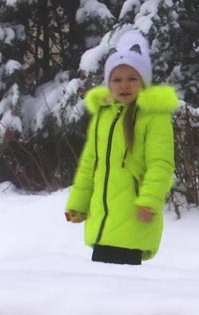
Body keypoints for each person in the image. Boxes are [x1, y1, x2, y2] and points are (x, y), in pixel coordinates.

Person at [65, 30, 179, 265]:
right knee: (101, 287)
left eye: (132, 78)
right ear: (108, 83)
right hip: (102, 218)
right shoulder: (104, 115)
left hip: (135, 214)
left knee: (124, 291)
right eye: (117, 79)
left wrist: (149, 200)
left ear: (143, 81)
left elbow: (161, 164)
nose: (124, 85)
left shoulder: (153, 116)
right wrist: (79, 203)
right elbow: (90, 164)